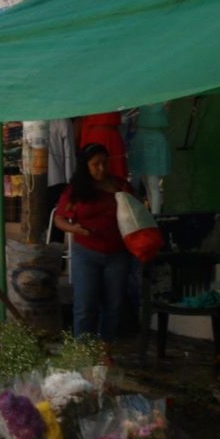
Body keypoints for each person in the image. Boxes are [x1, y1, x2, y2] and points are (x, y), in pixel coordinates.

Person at [54, 143, 134, 343]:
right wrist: (74, 229)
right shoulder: (77, 190)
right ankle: (81, 352)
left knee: (113, 305)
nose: (101, 168)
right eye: (95, 164)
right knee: (85, 305)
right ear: (86, 166)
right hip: (86, 253)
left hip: (118, 253)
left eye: (104, 163)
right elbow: (60, 219)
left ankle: (105, 349)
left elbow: (137, 210)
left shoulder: (121, 186)